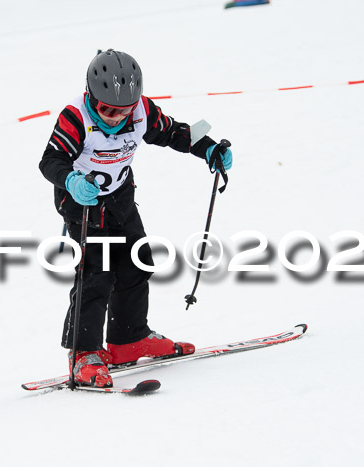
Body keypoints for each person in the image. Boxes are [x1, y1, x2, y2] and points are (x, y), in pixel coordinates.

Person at [38, 49, 233, 387]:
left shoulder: (142, 111)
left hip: (120, 196)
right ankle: (83, 353)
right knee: (96, 273)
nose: (116, 118)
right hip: (82, 202)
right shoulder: (75, 116)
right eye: (107, 110)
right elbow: (50, 160)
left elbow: (174, 132)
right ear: (90, 96)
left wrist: (209, 148)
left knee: (137, 262)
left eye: (123, 110)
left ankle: (128, 339)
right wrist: (70, 180)